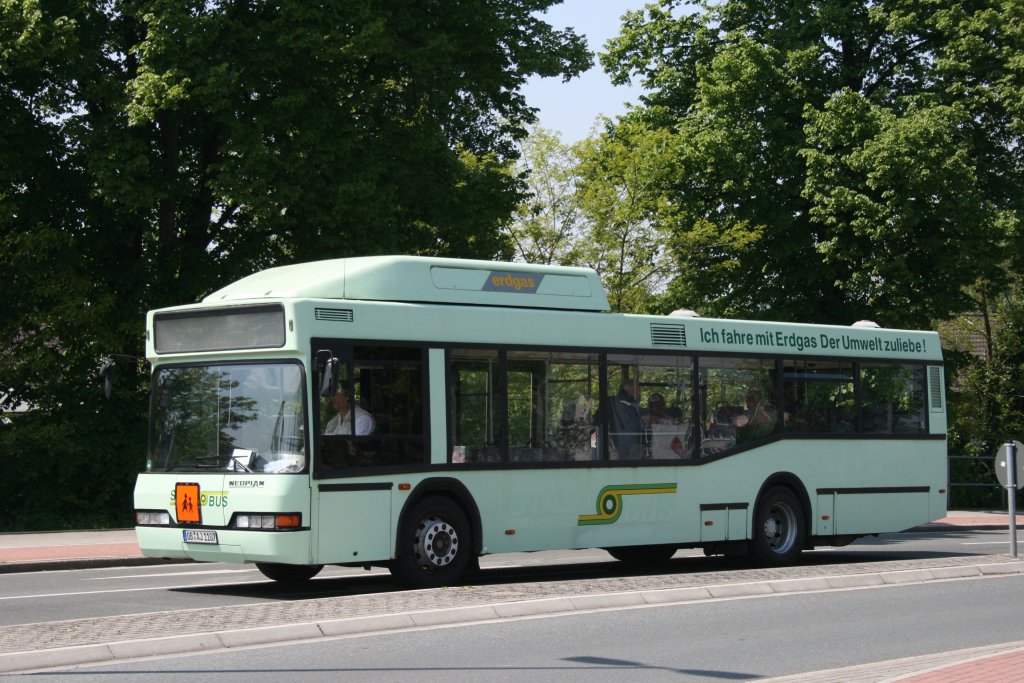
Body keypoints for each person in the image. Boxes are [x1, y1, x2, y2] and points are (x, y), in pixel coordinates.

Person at [609, 379, 646, 459]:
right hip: (628, 442)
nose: (640, 393)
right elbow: (632, 424)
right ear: (632, 389)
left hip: (623, 442)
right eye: (638, 390)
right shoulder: (626, 404)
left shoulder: (619, 402)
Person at [645, 393, 687, 458]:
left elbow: (675, 436)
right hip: (649, 452)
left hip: (667, 453)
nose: (659, 408)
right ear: (650, 407)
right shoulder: (644, 420)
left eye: (661, 405)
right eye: (655, 406)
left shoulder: (669, 419)